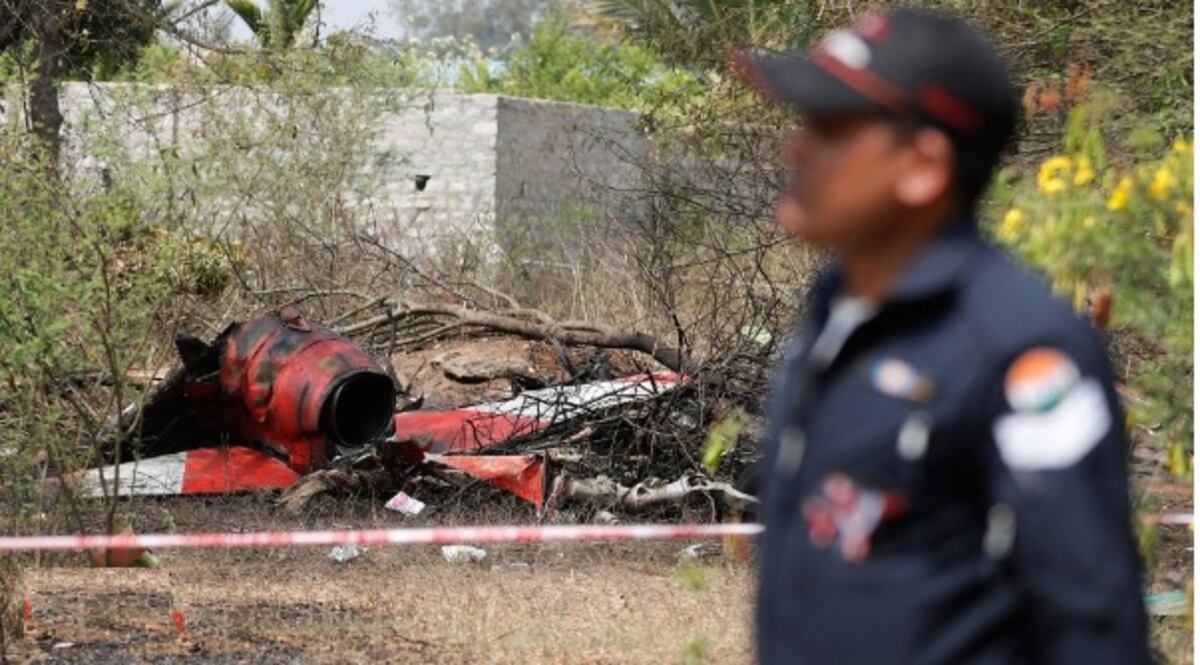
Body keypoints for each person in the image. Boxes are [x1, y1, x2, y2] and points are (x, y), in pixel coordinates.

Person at [734, 8, 1151, 664]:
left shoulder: (1023, 348)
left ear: (923, 167)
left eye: (831, 125)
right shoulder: (836, 309)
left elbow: (1093, 622)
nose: (798, 146)